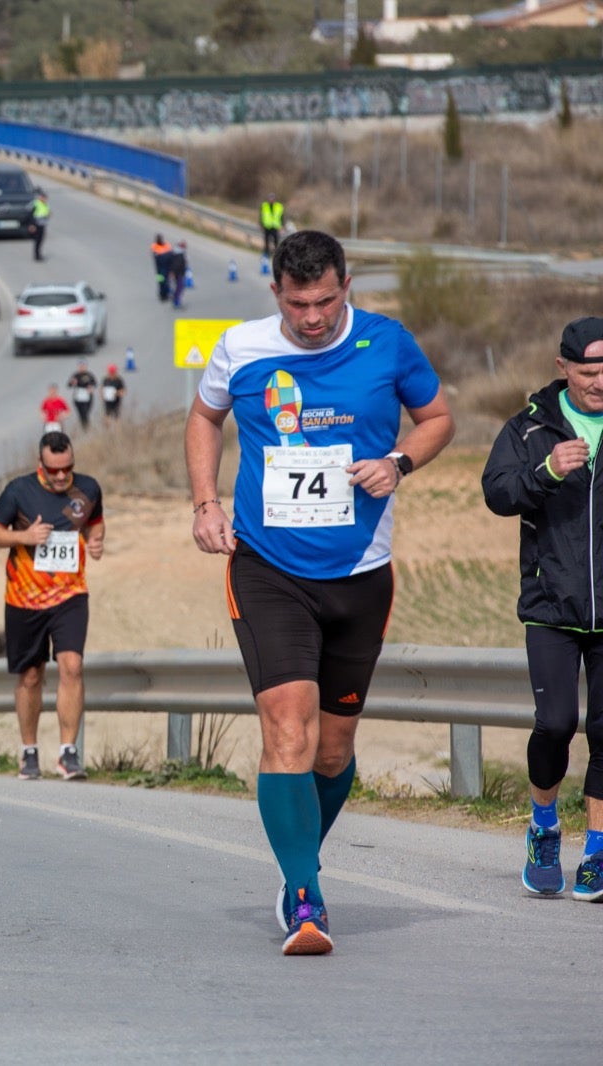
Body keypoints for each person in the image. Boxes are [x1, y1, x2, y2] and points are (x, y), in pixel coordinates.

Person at [184, 229, 454, 956]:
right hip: (268, 568)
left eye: (326, 301)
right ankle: (305, 897)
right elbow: (206, 417)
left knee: (332, 753)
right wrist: (206, 502)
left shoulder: (387, 342)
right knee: (289, 730)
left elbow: (437, 420)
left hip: (362, 575)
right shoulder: (240, 348)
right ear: (276, 292)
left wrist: (398, 462)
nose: (313, 317)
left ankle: (301, 858)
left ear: (346, 286)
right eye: (298, 303)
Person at [481, 316, 603, 903]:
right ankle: (545, 825)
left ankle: (598, 853)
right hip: (551, 605)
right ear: (563, 369)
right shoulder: (530, 428)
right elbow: (498, 493)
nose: (599, 381)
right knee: (556, 726)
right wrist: (548, 471)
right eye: (587, 371)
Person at [0, 431, 104, 782]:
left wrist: (96, 542)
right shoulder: (18, 491)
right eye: (54, 470)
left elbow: (95, 523)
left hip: (70, 594)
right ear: (41, 465)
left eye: (67, 468)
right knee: (31, 674)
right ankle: (29, 752)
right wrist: (23, 537)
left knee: (72, 665)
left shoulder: (88, 489)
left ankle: (68, 753)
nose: (62, 476)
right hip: (24, 598)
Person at [68, 362, 98, 431]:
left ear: (85, 367)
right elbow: (69, 385)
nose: (81, 368)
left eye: (83, 366)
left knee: (86, 412)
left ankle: (86, 426)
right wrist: (72, 383)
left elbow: (95, 384)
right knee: (81, 413)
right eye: (80, 366)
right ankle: (84, 426)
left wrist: (91, 387)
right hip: (78, 396)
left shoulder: (89, 375)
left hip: (87, 396)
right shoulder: (75, 375)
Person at [150, 233, 174, 302]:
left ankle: (166, 294)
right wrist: (166, 255)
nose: (159, 240)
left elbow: (170, 255)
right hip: (159, 268)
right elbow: (157, 256)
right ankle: (162, 295)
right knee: (160, 282)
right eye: (158, 239)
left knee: (166, 281)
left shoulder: (167, 245)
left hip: (167, 268)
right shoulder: (154, 246)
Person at [29, 188, 51, 262]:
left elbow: (46, 212)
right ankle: (37, 255)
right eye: (44, 198)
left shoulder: (44, 204)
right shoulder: (36, 203)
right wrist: (32, 225)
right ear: (41, 197)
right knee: (38, 240)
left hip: (42, 224)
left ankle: (38, 254)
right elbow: (30, 215)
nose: (45, 199)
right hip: (36, 224)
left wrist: (48, 214)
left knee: (41, 240)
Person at [168, 241, 190, 310]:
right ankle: (176, 302)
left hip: (177, 273)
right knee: (180, 287)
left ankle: (175, 300)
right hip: (179, 274)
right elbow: (177, 265)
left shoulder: (174, 252)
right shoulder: (180, 255)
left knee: (178, 287)